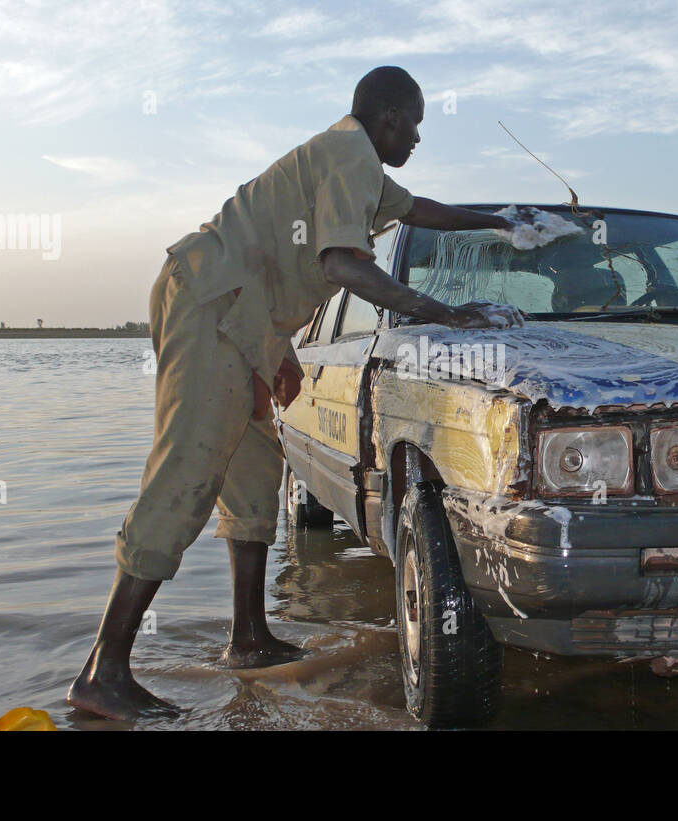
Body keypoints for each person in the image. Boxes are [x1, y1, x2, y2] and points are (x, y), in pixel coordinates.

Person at [67, 66, 529, 719]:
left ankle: (248, 636)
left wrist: (503, 222)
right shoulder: (350, 156)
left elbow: (419, 209)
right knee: (189, 469)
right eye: (418, 123)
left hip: (248, 312)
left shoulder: (360, 166)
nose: (420, 137)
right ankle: (103, 670)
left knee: (255, 469)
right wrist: (444, 312)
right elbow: (340, 264)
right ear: (391, 117)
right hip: (213, 299)